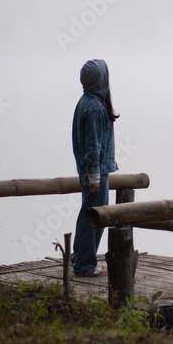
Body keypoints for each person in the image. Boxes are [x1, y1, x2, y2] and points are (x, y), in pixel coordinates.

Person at [70, 59, 119, 276]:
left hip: (92, 171)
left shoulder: (87, 101)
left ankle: (80, 258)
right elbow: (93, 145)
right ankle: (84, 265)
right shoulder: (94, 108)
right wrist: (94, 177)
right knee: (94, 217)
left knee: (88, 215)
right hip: (95, 172)